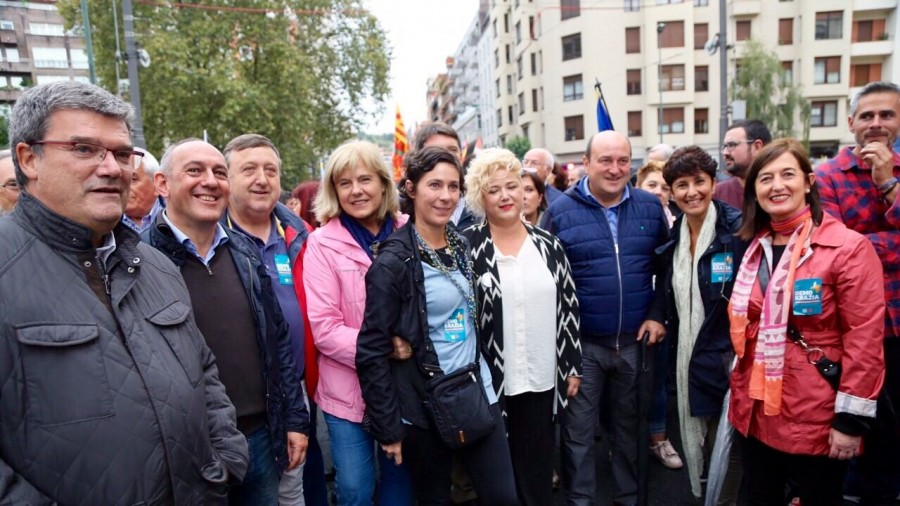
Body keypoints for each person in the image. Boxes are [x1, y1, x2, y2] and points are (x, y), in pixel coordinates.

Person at [0, 80, 248, 503]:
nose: (113, 168)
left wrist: (224, 459)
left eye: (120, 153)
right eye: (83, 148)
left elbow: (203, 371)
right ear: (29, 159)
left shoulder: (155, 265)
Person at [147, 138, 309, 505]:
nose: (210, 181)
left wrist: (295, 420)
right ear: (162, 184)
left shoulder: (245, 253)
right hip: (187, 446)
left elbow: (278, 343)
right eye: (194, 171)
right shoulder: (140, 259)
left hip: (261, 438)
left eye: (219, 172)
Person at [356, 146, 518, 505]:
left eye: (453, 186)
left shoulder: (461, 244)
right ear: (411, 189)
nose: (445, 196)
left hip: (477, 390)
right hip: (426, 403)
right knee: (434, 498)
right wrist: (389, 428)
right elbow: (369, 350)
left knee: (503, 496)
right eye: (434, 185)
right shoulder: (393, 263)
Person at [729, 138, 885, 505]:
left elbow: (864, 340)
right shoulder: (754, 246)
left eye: (788, 174)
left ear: (809, 182)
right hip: (755, 407)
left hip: (815, 411)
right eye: (765, 178)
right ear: (754, 190)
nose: (777, 186)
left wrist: (849, 423)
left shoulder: (847, 248)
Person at [541, 131, 669, 506]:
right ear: (586, 162)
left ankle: (628, 499)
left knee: (629, 432)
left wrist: (657, 314)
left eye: (623, 161)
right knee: (578, 435)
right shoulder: (560, 212)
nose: (615, 169)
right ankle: (580, 501)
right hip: (583, 348)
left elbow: (665, 270)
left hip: (635, 343)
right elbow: (548, 283)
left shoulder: (649, 207)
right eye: (605, 160)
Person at [461, 147, 582, 505]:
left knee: (538, 470)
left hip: (543, 377)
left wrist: (571, 365)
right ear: (480, 197)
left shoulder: (549, 244)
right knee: (498, 480)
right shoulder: (467, 247)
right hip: (490, 382)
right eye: (493, 189)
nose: (506, 196)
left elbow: (569, 307)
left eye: (512, 186)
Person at [302, 140, 413, 505]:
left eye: (364, 179)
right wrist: (386, 348)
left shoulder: (410, 231)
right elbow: (325, 329)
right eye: (344, 183)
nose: (356, 190)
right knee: (354, 490)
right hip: (347, 393)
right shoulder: (321, 243)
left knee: (401, 486)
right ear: (333, 190)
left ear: (383, 183)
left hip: (404, 388)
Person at [220, 133, 328, 506]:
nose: (262, 179)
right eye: (248, 169)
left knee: (293, 489)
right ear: (227, 178)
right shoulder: (211, 240)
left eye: (270, 170)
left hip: (297, 390)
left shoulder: (300, 236)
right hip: (238, 405)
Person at [815, 80, 900, 503]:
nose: (877, 124)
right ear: (851, 123)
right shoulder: (827, 176)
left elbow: (854, 245)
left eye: (887, 115)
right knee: (862, 424)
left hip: (899, 319)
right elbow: (836, 252)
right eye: (867, 116)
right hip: (855, 327)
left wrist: (887, 182)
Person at [657, 146, 744, 501]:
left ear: (713, 182)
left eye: (699, 182)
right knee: (709, 445)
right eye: (682, 184)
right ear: (671, 192)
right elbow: (668, 293)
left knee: (732, 446)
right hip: (690, 357)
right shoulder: (675, 233)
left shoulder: (738, 229)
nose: (691, 192)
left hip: (728, 359)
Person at [412, 122, 477, 230]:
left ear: (461, 156)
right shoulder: (399, 217)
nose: (446, 157)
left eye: (452, 150)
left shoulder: (481, 205)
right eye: (436, 150)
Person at [715, 120, 772, 210]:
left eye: (732, 145)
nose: (725, 153)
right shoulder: (718, 193)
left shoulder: (778, 190)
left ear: (757, 147)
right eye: (724, 146)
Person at [121, 147, 163, 232]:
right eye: (119, 180)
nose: (122, 186)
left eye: (133, 179)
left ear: (157, 184)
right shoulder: (106, 226)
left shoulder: (178, 218)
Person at [637, 161, 676, 228]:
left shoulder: (679, 221)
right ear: (638, 187)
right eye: (652, 185)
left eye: (665, 188)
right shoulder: (624, 216)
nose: (658, 192)